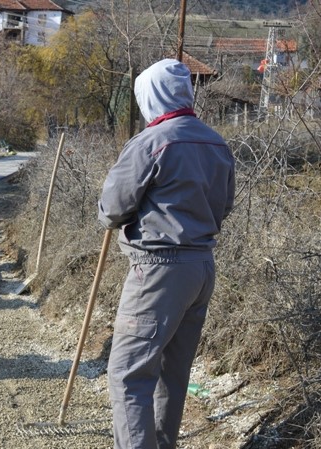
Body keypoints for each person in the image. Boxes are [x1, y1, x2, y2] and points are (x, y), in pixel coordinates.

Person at [97, 59, 235, 448]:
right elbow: (224, 205)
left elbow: (111, 209)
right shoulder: (215, 142)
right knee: (172, 374)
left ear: (150, 97)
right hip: (201, 266)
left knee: (128, 373)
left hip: (158, 270)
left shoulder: (151, 142)